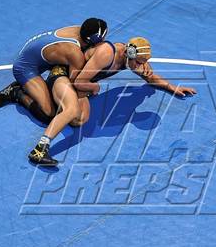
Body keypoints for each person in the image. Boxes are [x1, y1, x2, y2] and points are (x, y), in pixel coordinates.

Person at [28, 37, 197, 166]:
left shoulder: (131, 59)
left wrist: (172, 87)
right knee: (71, 111)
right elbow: (78, 80)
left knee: (79, 121)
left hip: (81, 85)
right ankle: (39, 149)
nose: (142, 66)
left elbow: (150, 76)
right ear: (130, 54)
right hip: (65, 76)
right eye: (140, 62)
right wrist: (94, 89)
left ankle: (35, 98)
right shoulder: (107, 53)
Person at [0, 18, 108, 124]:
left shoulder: (81, 30)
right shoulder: (74, 53)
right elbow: (76, 83)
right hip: (25, 69)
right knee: (49, 114)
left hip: (41, 57)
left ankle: (51, 83)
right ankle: (16, 92)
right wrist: (93, 87)